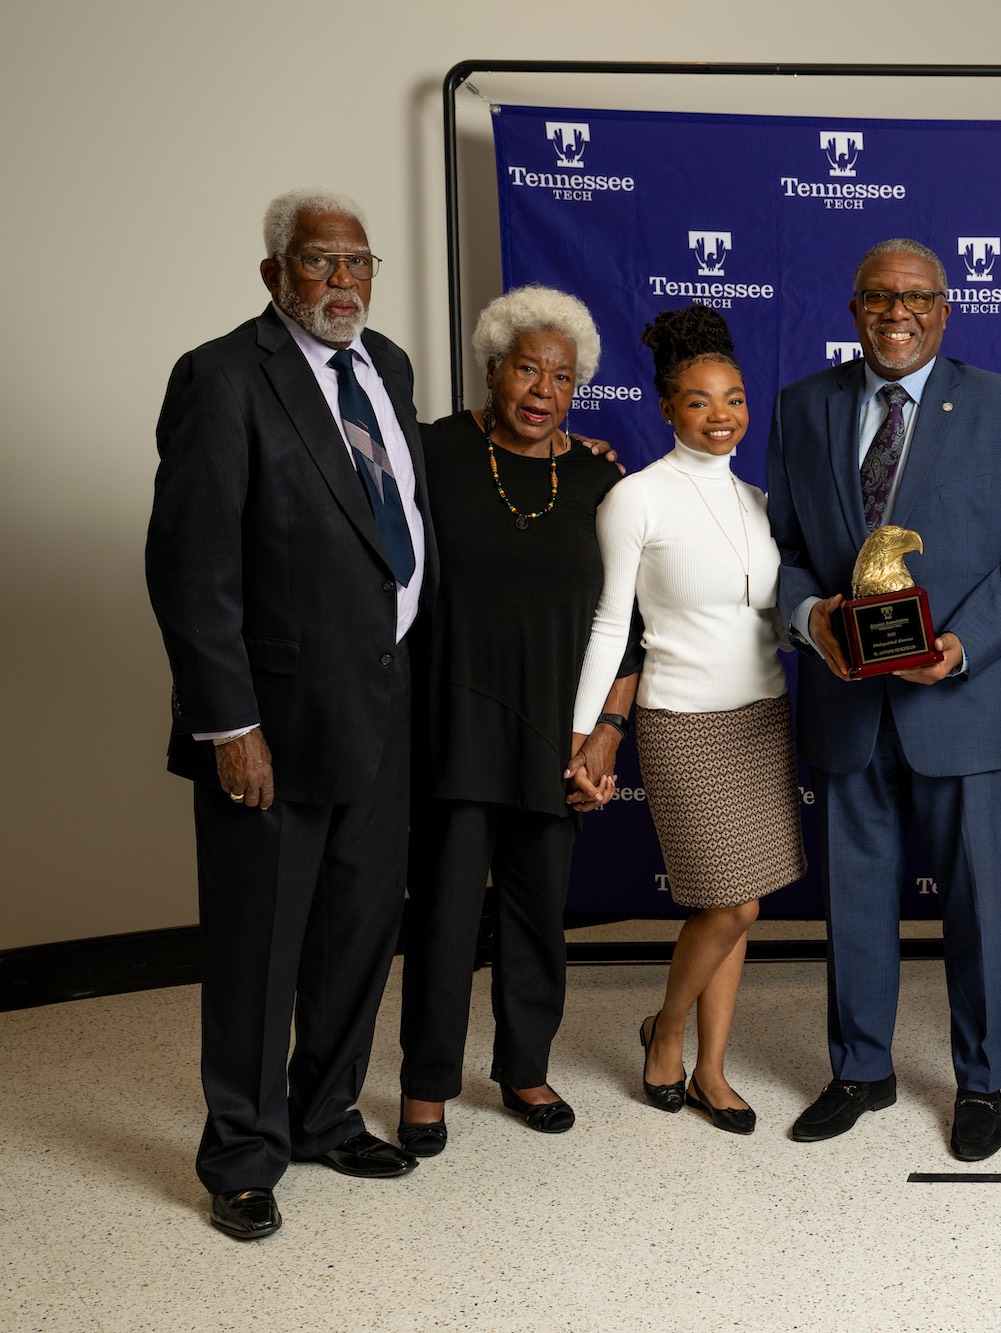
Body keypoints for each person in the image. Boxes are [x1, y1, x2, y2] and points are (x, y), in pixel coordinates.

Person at [145, 189, 433, 1239]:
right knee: (260, 946)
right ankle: (242, 1153)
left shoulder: (387, 367)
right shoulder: (222, 378)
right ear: (274, 274)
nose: (344, 282)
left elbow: (388, 521)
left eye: (359, 263)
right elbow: (190, 569)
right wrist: (229, 724)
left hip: (384, 701)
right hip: (269, 721)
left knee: (359, 929)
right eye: (321, 262)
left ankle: (323, 1114)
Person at [765, 238, 1001, 1162]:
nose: (898, 312)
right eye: (879, 297)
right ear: (854, 308)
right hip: (846, 703)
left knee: (976, 903)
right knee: (853, 900)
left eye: (917, 297)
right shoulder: (800, 405)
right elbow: (778, 550)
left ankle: (981, 1081)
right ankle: (860, 1068)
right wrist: (810, 617)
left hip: (961, 704)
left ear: (946, 307)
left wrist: (963, 646)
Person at [394, 286, 641, 1154]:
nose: (544, 389)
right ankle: (425, 1083)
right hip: (453, 728)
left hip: (556, 738)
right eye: (528, 368)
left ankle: (524, 1067)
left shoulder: (602, 480)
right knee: (445, 917)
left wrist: (607, 732)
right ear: (493, 370)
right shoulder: (432, 453)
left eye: (563, 377)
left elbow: (631, 625)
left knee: (540, 916)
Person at [570, 303, 806, 1137]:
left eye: (734, 397)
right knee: (729, 902)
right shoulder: (635, 498)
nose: (721, 415)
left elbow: (780, 610)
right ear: (667, 407)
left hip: (762, 716)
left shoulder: (759, 500)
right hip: (681, 720)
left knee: (743, 901)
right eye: (700, 400)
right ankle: (666, 1029)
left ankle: (710, 1065)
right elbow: (610, 622)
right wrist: (585, 730)